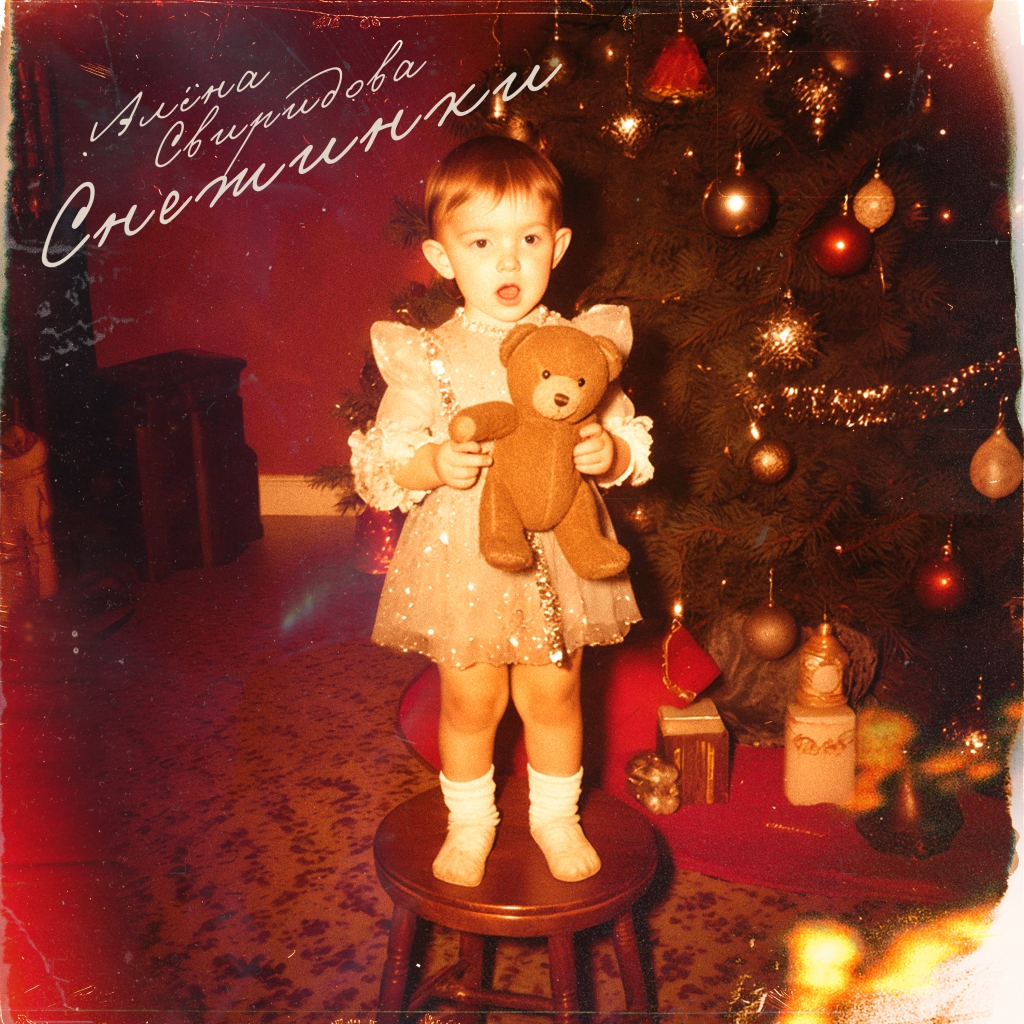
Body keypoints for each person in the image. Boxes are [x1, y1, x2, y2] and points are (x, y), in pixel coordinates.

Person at [350, 135, 653, 887]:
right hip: (466, 556)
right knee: (470, 697)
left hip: (561, 552)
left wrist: (609, 453)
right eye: (481, 243)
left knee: (555, 691)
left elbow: (626, 437)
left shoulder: (580, 346)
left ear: (559, 245)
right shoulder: (431, 356)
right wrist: (433, 464)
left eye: (528, 240)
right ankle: (470, 820)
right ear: (442, 256)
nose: (508, 262)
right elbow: (389, 457)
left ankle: (555, 816)